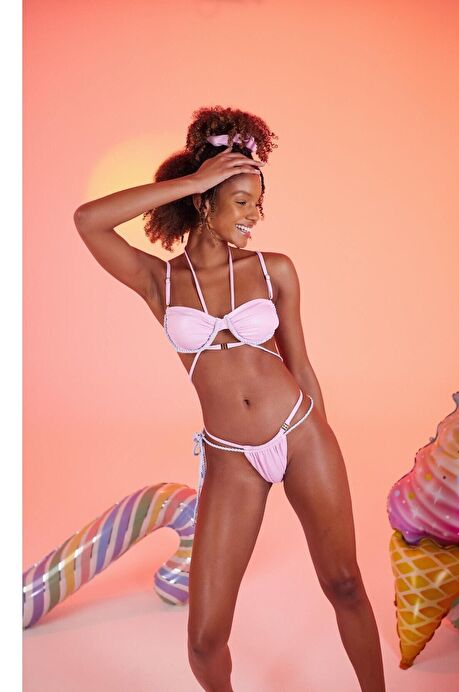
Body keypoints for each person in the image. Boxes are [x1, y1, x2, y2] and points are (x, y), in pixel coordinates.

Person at [74, 105, 386, 692]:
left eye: (258, 204)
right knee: (204, 640)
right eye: (241, 202)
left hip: (300, 433)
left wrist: (324, 440)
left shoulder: (274, 270)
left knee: (344, 583)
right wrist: (189, 180)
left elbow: (301, 364)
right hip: (230, 456)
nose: (253, 217)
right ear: (204, 203)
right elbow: (88, 220)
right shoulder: (160, 281)